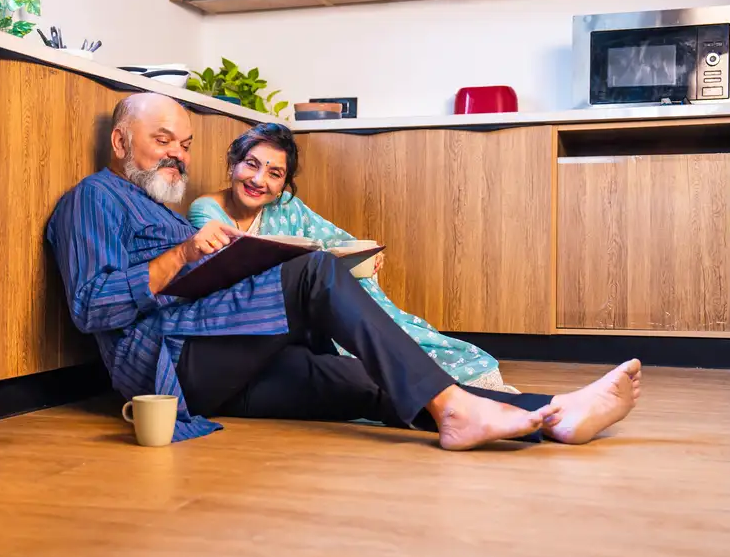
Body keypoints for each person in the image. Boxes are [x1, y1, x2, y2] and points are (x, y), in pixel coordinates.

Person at [45, 92, 642, 450]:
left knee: (366, 381)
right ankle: (463, 413)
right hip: (165, 366)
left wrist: (226, 261)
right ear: (122, 141)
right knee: (313, 271)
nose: (178, 152)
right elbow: (92, 306)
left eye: (186, 142)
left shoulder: (167, 211)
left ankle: (554, 414)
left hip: (222, 360)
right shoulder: (93, 198)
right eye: (162, 140)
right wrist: (183, 256)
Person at [187, 123, 516, 393]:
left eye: (275, 173)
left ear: (284, 182)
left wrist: (362, 256)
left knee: (376, 312)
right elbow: (230, 273)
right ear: (234, 162)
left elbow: (339, 241)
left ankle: (451, 388)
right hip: (254, 318)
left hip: (304, 307)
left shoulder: (285, 205)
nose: (260, 181)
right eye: (252, 164)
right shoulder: (206, 210)